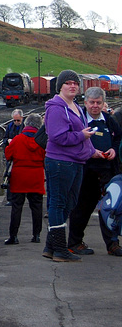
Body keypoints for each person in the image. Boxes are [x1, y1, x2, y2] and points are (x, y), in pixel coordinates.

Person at [43, 70, 96, 262]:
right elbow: (57, 136)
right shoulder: (56, 108)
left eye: (75, 83)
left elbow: (84, 133)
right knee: (58, 203)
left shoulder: (75, 106)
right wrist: (82, 136)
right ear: (60, 87)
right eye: (68, 83)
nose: (72, 86)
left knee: (70, 202)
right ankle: (59, 249)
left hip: (76, 161)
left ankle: (50, 247)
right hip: (60, 161)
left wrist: (93, 151)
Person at [67, 87, 122, 256]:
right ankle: (75, 242)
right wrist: (91, 152)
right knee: (82, 207)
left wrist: (113, 150)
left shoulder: (109, 120)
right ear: (86, 102)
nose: (95, 106)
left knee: (111, 206)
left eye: (99, 103)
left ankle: (112, 243)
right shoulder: (79, 120)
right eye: (92, 103)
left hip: (107, 170)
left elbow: (118, 137)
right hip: (86, 170)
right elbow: (72, 141)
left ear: (103, 103)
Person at [4, 113, 46, 245]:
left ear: (26, 124)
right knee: (37, 206)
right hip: (36, 175)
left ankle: (13, 236)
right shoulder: (42, 141)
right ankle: (37, 235)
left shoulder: (17, 139)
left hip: (19, 175)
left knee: (16, 206)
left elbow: (8, 155)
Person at [3, 109, 24, 205]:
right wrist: (7, 141)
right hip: (12, 155)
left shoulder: (25, 127)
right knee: (10, 176)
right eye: (14, 120)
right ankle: (10, 199)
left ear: (22, 118)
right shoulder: (10, 126)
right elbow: (4, 138)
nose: (16, 122)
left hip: (22, 155)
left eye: (18, 120)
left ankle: (22, 196)